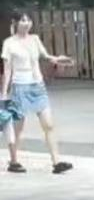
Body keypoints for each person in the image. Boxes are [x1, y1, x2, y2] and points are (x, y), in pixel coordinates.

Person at [0, 13, 74, 174]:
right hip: (20, 86)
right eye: (23, 20)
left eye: (28, 20)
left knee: (49, 125)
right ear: (15, 22)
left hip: (37, 86)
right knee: (18, 128)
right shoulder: (9, 43)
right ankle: (13, 161)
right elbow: (7, 70)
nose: (26, 24)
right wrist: (3, 93)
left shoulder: (34, 39)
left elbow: (46, 56)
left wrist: (58, 59)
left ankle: (57, 162)